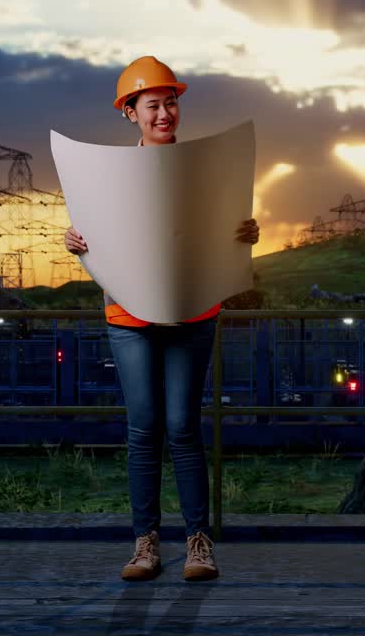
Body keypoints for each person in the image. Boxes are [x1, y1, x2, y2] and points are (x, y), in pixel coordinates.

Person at [63, 55, 259, 581]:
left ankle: (198, 542)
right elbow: (94, 233)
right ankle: (145, 543)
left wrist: (245, 234)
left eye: (171, 102)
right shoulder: (106, 176)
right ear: (131, 113)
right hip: (128, 316)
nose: (165, 112)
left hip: (193, 311)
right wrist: (74, 241)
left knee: (182, 427)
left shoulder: (208, 167)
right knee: (144, 428)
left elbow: (225, 228)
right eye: (153, 105)